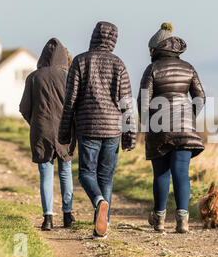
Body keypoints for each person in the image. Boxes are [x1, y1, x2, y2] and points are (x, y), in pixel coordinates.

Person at [58, 21, 136, 239]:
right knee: (106, 178)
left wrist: (64, 132)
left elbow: (70, 101)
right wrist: (130, 136)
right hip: (112, 129)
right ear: (113, 41)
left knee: (85, 174)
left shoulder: (80, 61)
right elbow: (126, 103)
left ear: (93, 37)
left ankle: (99, 202)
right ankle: (103, 225)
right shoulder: (118, 64)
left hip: (88, 126)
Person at [137, 23, 206, 233]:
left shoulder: (152, 69)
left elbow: (143, 101)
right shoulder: (188, 67)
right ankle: (183, 221)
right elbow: (200, 97)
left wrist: (148, 124)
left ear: (156, 48)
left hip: (160, 129)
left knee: (161, 174)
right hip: (185, 128)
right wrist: (189, 117)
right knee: (181, 173)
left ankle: (159, 219)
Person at [19, 38, 76, 231]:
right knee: (66, 172)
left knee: (45, 174)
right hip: (64, 131)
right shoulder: (69, 76)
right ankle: (68, 215)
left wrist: (35, 123)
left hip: (41, 130)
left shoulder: (33, 77)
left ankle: (48, 218)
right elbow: (74, 106)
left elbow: (24, 108)